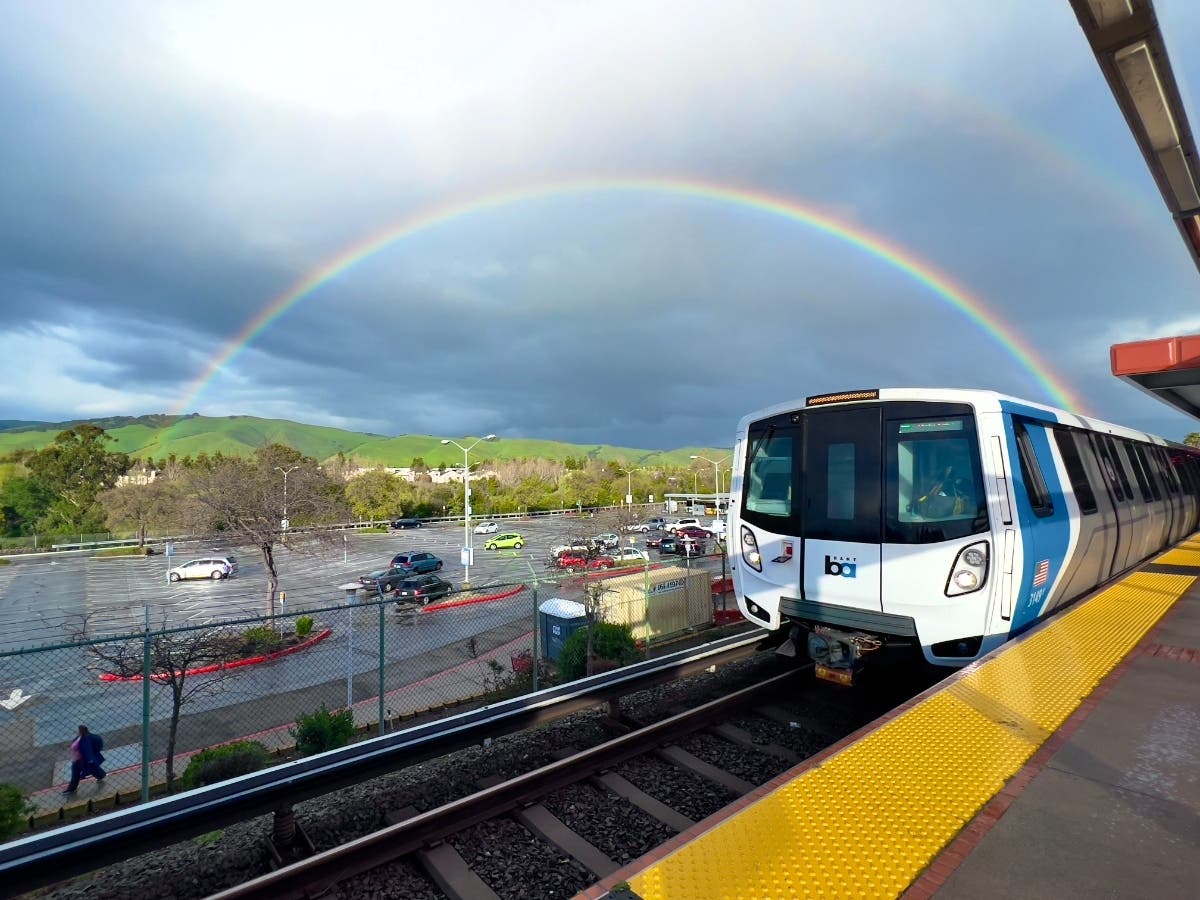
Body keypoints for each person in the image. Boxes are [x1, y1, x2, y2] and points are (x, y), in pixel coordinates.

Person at [63, 725, 105, 794]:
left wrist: (91, 758)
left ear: (80, 731)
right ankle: (101, 775)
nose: (75, 731)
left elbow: (88, 748)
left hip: (81, 760)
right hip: (77, 760)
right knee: (93, 769)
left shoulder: (85, 739)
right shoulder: (78, 737)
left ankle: (71, 789)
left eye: (77, 730)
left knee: (75, 774)